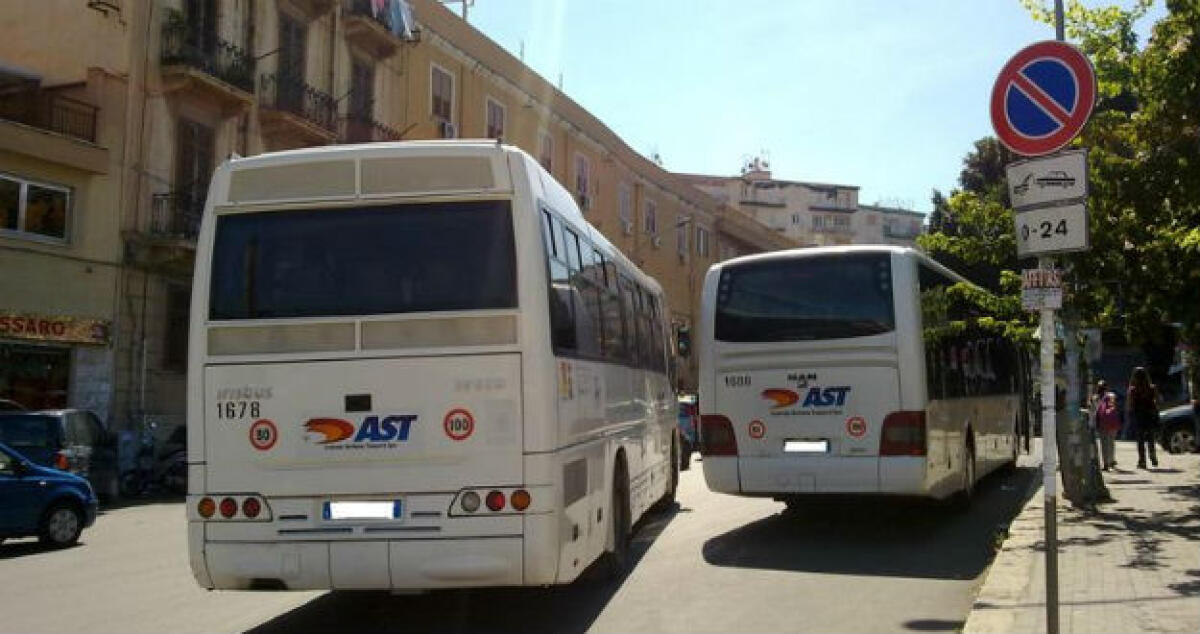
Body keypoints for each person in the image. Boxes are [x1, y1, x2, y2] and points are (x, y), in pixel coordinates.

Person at [1126, 367, 1160, 469]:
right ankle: (1153, 455)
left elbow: (1130, 405)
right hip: (1149, 415)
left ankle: (1142, 461)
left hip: (1138, 416)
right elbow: (1157, 401)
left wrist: (1130, 414)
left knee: (1140, 439)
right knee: (1151, 438)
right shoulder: (1152, 388)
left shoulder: (1132, 390)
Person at [1091, 380, 1121, 470]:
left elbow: (1093, 411)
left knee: (1104, 444)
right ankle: (1111, 460)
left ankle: (1106, 463)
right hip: (1112, 422)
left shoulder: (1094, 398)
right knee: (1111, 442)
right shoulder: (1111, 396)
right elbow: (1114, 408)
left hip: (1102, 423)